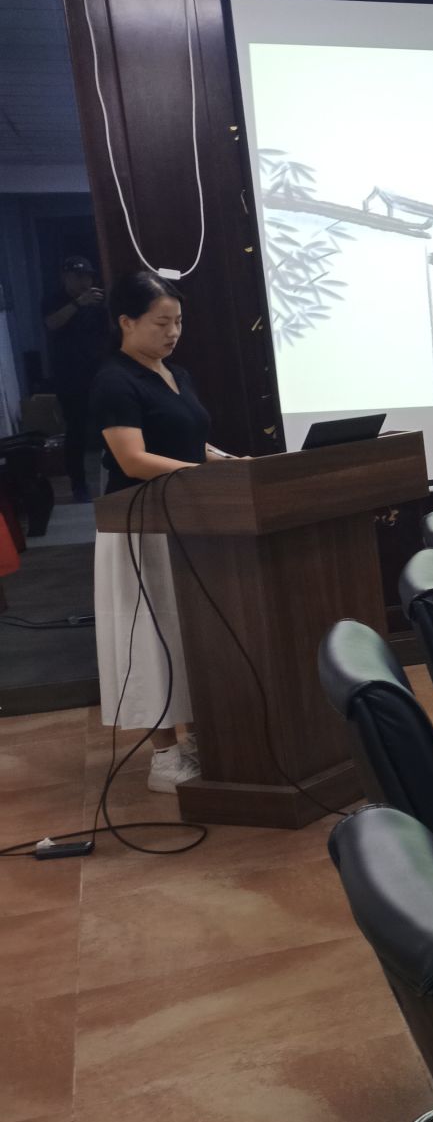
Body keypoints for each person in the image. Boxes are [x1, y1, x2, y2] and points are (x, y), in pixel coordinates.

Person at [92, 271, 234, 793]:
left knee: (185, 630)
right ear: (126, 322)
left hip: (184, 519)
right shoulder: (114, 380)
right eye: (160, 322)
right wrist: (201, 473)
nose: (173, 332)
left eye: (178, 321)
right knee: (148, 636)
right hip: (139, 524)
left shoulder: (177, 373)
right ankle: (165, 756)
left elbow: (190, 440)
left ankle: (193, 738)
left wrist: (228, 463)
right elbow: (132, 459)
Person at [42, 255, 109, 502]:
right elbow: (51, 323)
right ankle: (78, 485)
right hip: (69, 376)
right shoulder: (53, 300)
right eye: (78, 276)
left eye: (87, 276)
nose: (84, 281)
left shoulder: (98, 301)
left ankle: (114, 479)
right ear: (65, 277)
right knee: (77, 430)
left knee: (111, 426)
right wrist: (78, 303)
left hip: (99, 373)